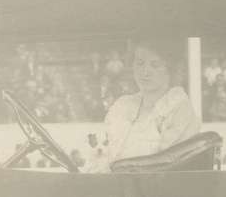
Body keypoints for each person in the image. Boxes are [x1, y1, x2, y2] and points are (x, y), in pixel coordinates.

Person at [85, 39, 200, 172]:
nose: (145, 72)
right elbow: (106, 156)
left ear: (170, 68)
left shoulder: (179, 108)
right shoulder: (123, 106)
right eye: (139, 63)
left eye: (155, 65)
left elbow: (169, 167)